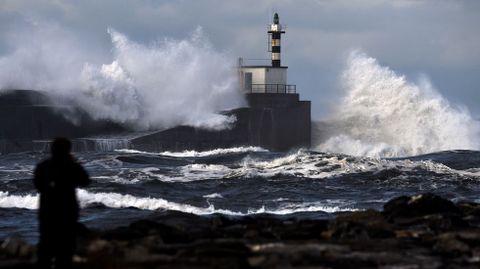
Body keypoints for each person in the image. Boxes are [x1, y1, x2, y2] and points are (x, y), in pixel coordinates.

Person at [33, 138, 90, 269]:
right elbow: (85, 181)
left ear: (52, 150)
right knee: (66, 249)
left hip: (47, 211)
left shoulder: (43, 166)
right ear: (68, 150)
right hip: (67, 211)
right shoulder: (72, 166)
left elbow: (38, 186)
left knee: (46, 245)